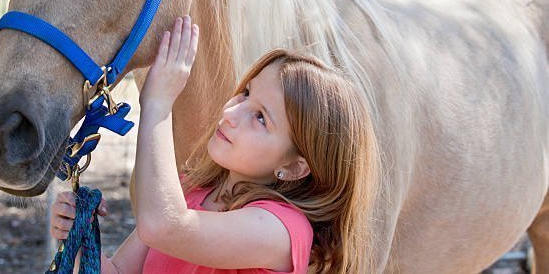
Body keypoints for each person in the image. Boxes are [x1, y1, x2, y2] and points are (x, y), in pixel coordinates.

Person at [51, 16, 380, 273]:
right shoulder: (193, 191)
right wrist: (79, 237)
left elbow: (163, 226)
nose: (232, 111)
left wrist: (159, 103)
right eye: (246, 93)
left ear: (294, 167)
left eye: (261, 118)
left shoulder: (280, 230)